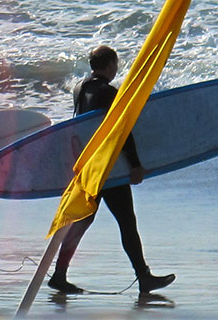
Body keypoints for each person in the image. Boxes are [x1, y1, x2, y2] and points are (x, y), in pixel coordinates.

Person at [47, 45, 175, 296]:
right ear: (110, 65)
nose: (117, 69)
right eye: (116, 64)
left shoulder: (79, 88)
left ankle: (59, 275)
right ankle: (144, 278)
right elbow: (121, 131)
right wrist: (136, 165)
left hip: (89, 166)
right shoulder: (108, 92)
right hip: (109, 168)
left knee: (84, 219)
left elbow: (82, 126)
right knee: (127, 222)